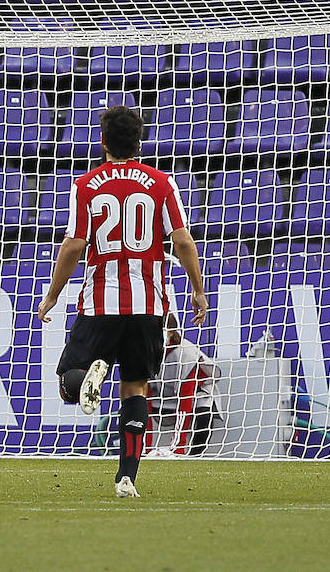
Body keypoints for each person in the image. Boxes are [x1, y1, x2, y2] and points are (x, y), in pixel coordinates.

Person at [36, 105, 209, 498]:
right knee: (135, 389)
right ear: (139, 141)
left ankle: (88, 375)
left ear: (102, 142)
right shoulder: (162, 183)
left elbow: (75, 245)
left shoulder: (87, 185)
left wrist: (52, 295)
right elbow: (182, 241)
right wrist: (198, 290)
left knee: (68, 384)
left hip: (101, 303)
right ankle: (126, 476)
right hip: (149, 306)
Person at [149, 312, 221, 456]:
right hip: (163, 393)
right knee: (133, 408)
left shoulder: (186, 354)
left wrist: (177, 448)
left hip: (197, 391)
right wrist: (145, 450)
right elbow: (145, 400)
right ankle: (138, 450)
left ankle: (194, 456)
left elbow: (185, 401)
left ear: (171, 331)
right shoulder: (145, 350)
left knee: (204, 415)